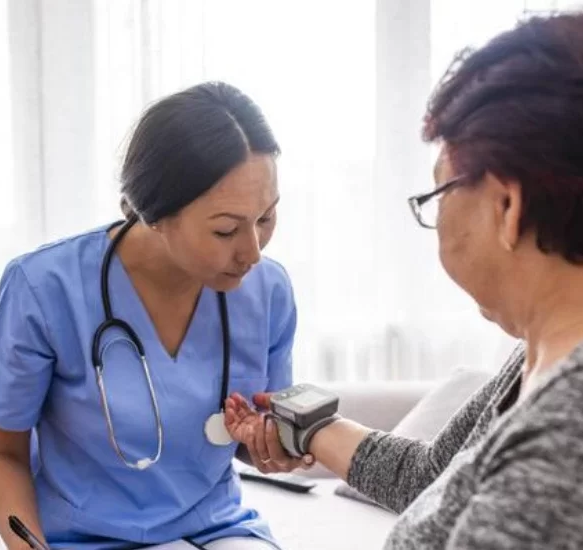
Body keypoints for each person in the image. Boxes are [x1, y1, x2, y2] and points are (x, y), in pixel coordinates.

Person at [225, 11, 583, 549]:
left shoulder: (564, 441)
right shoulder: (535, 359)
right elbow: (432, 476)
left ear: (507, 207)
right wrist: (309, 429)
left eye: (439, 194)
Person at [0, 81, 309, 550]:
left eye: (266, 218)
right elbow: (2, 453)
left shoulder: (269, 291)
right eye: (226, 229)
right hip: (83, 539)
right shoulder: (46, 287)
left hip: (218, 529)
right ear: (153, 212)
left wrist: (272, 448)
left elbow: (252, 443)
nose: (252, 252)